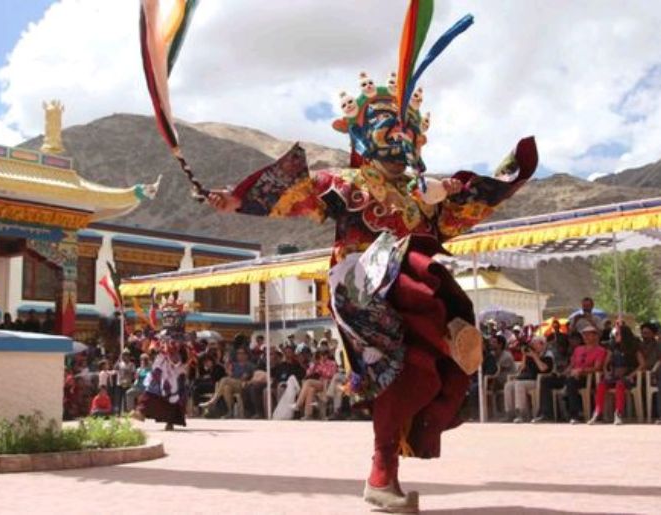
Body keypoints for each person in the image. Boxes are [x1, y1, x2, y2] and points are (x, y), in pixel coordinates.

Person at [207, 69, 536, 514]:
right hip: (362, 284)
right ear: (366, 136)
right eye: (389, 132)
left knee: (424, 372)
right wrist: (237, 199)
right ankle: (387, 454)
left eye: (407, 136)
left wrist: (501, 177)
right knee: (411, 301)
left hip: (407, 277)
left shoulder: (421, 196)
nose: (400, 145)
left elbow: (461, 213)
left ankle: (383, 474)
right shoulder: (346, 184)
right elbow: (297, 194)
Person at [132, 297, 190, 430]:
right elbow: (150, 348)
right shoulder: (161, 334)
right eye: (167, 315)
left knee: (174, 394)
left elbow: (183, 354)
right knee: (152, 390)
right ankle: (141, 411)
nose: (169, 318)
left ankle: (170, 421)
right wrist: (149, 340)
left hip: (175, 369)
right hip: (161, 367)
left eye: (172, 315)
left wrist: (173, 349)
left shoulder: (181, 337)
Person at [589, 323, 643, 425]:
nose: (615, 336)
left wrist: (631, 375)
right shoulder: (613, 347)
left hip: (627, 375)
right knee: (601, 385)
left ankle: (618, 413)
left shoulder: (634, 347)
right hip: (614, 375)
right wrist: (606, 372)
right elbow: (605, 364)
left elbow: (642, 364)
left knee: (620, 385)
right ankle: (597, 412)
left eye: (618, 334)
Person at [502, 336, 553, 422]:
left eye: (534, 344)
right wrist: (525, 355)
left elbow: (543, 369)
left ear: (542, 345)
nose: (532, 346)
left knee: (519, 384)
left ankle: (522, 414)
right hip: (526, 379)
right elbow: (522, 369)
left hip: (538, 381)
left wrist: (534, 356)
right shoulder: (529, 355)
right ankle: (510, 413)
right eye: (532, 344)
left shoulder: (547, 355)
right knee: (508, 385)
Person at [564, 324, 607, 423]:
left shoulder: (600, 350)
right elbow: (572, 364)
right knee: (547, 381)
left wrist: (581, 371)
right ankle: (545, 412)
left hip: (588, 377)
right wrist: (566, 371)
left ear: (596, 336)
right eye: (584, 335)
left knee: (570, 382)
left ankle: (575, 414)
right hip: (574, 375)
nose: (585, 337)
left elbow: (597, 368)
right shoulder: (578, 349)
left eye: (588, 334)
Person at [291, 348, 338, 419]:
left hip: (327, 384)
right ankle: (308, 414)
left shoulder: (332, 363)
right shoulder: (317, 363)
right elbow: (308, 373)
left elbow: (331, 374)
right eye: (321, 355)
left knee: (308, 382)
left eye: (324, 355)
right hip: (317, 383)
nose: (322, 357)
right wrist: (314, 365)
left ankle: (298, 404)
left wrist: (321, 369)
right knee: (310, 389)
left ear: (327, 355)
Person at [217, 347, 256, 418]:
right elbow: (231, 376)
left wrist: (233, 377)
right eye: (238, 353)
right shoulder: (234, 365)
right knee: (226, 388)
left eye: (242, 353)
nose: (239, 355)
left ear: (246, 355)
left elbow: (243, 377)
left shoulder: (249, 365)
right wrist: (227, 369)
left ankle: (214, 400)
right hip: (234, 384)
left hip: (243, 385)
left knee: (224, 380)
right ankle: (230, 411)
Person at [113, 350, 136, 415]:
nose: (125, 357)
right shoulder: (120, 363)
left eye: (126, 355)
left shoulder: (132, 364)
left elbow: (133, 373)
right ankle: (117, 413)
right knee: (118, 399)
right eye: (123, 355)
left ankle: (126, 413)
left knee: (127, 399)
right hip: (119, 383)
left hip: (128, 384)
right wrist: (118, 360)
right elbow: (115, 368)